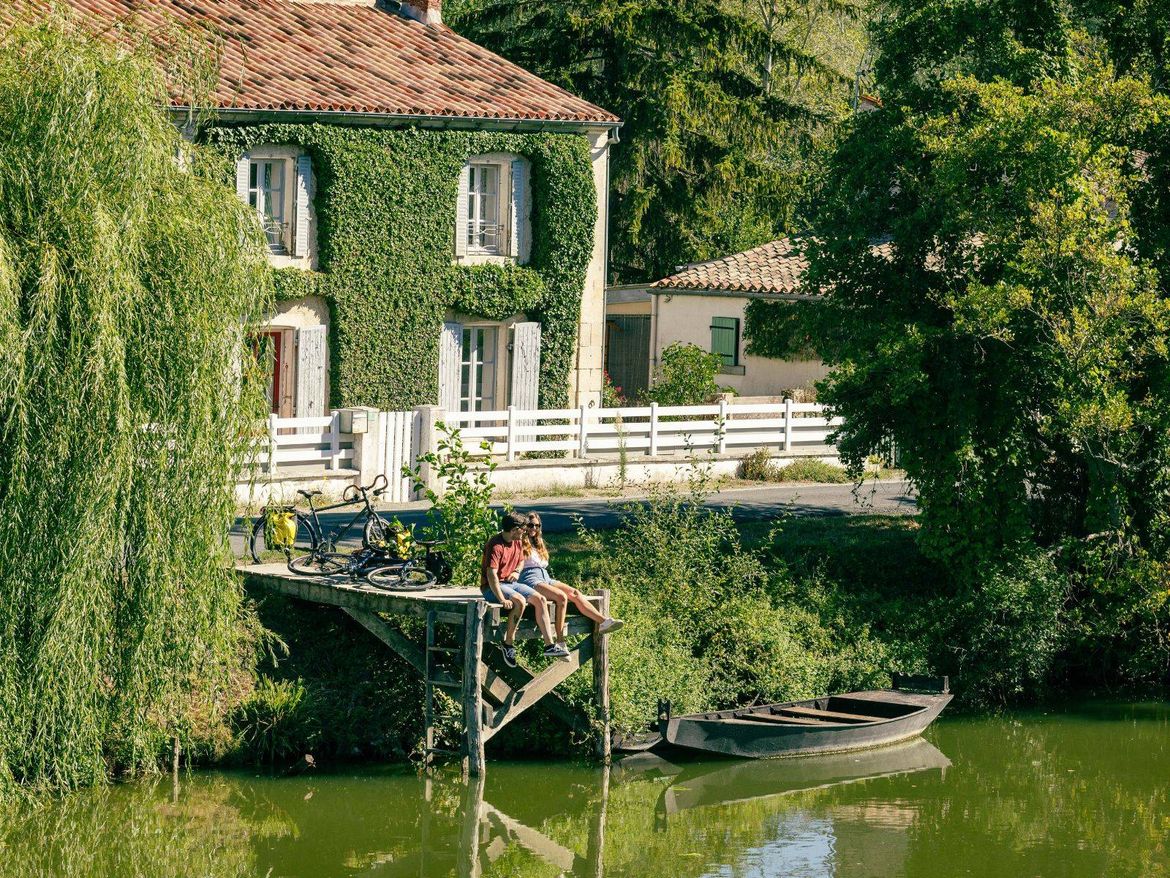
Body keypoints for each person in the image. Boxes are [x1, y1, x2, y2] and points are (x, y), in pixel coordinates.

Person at [518, 512, 623, 653]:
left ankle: (604, 621)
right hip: (530, 578)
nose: (534, 528)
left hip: (546, 577)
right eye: (531, 525)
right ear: (525, 526)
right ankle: (560, 641)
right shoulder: (518, 542)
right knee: (561, 597)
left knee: (575, 593)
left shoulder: (538, 543)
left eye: (537, 525)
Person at [481, 510, 569, 667]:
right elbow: (491, 575)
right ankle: (508, 643)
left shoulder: (516, 541)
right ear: (514, 530)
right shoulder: (495, 545)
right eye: (523, 529)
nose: (526, 531)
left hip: (511, 583)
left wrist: (516, 571)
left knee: (540, 599)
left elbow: (521, 561)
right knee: (520, 601)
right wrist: (501, 599)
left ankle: (549, 645)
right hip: (492, 587)